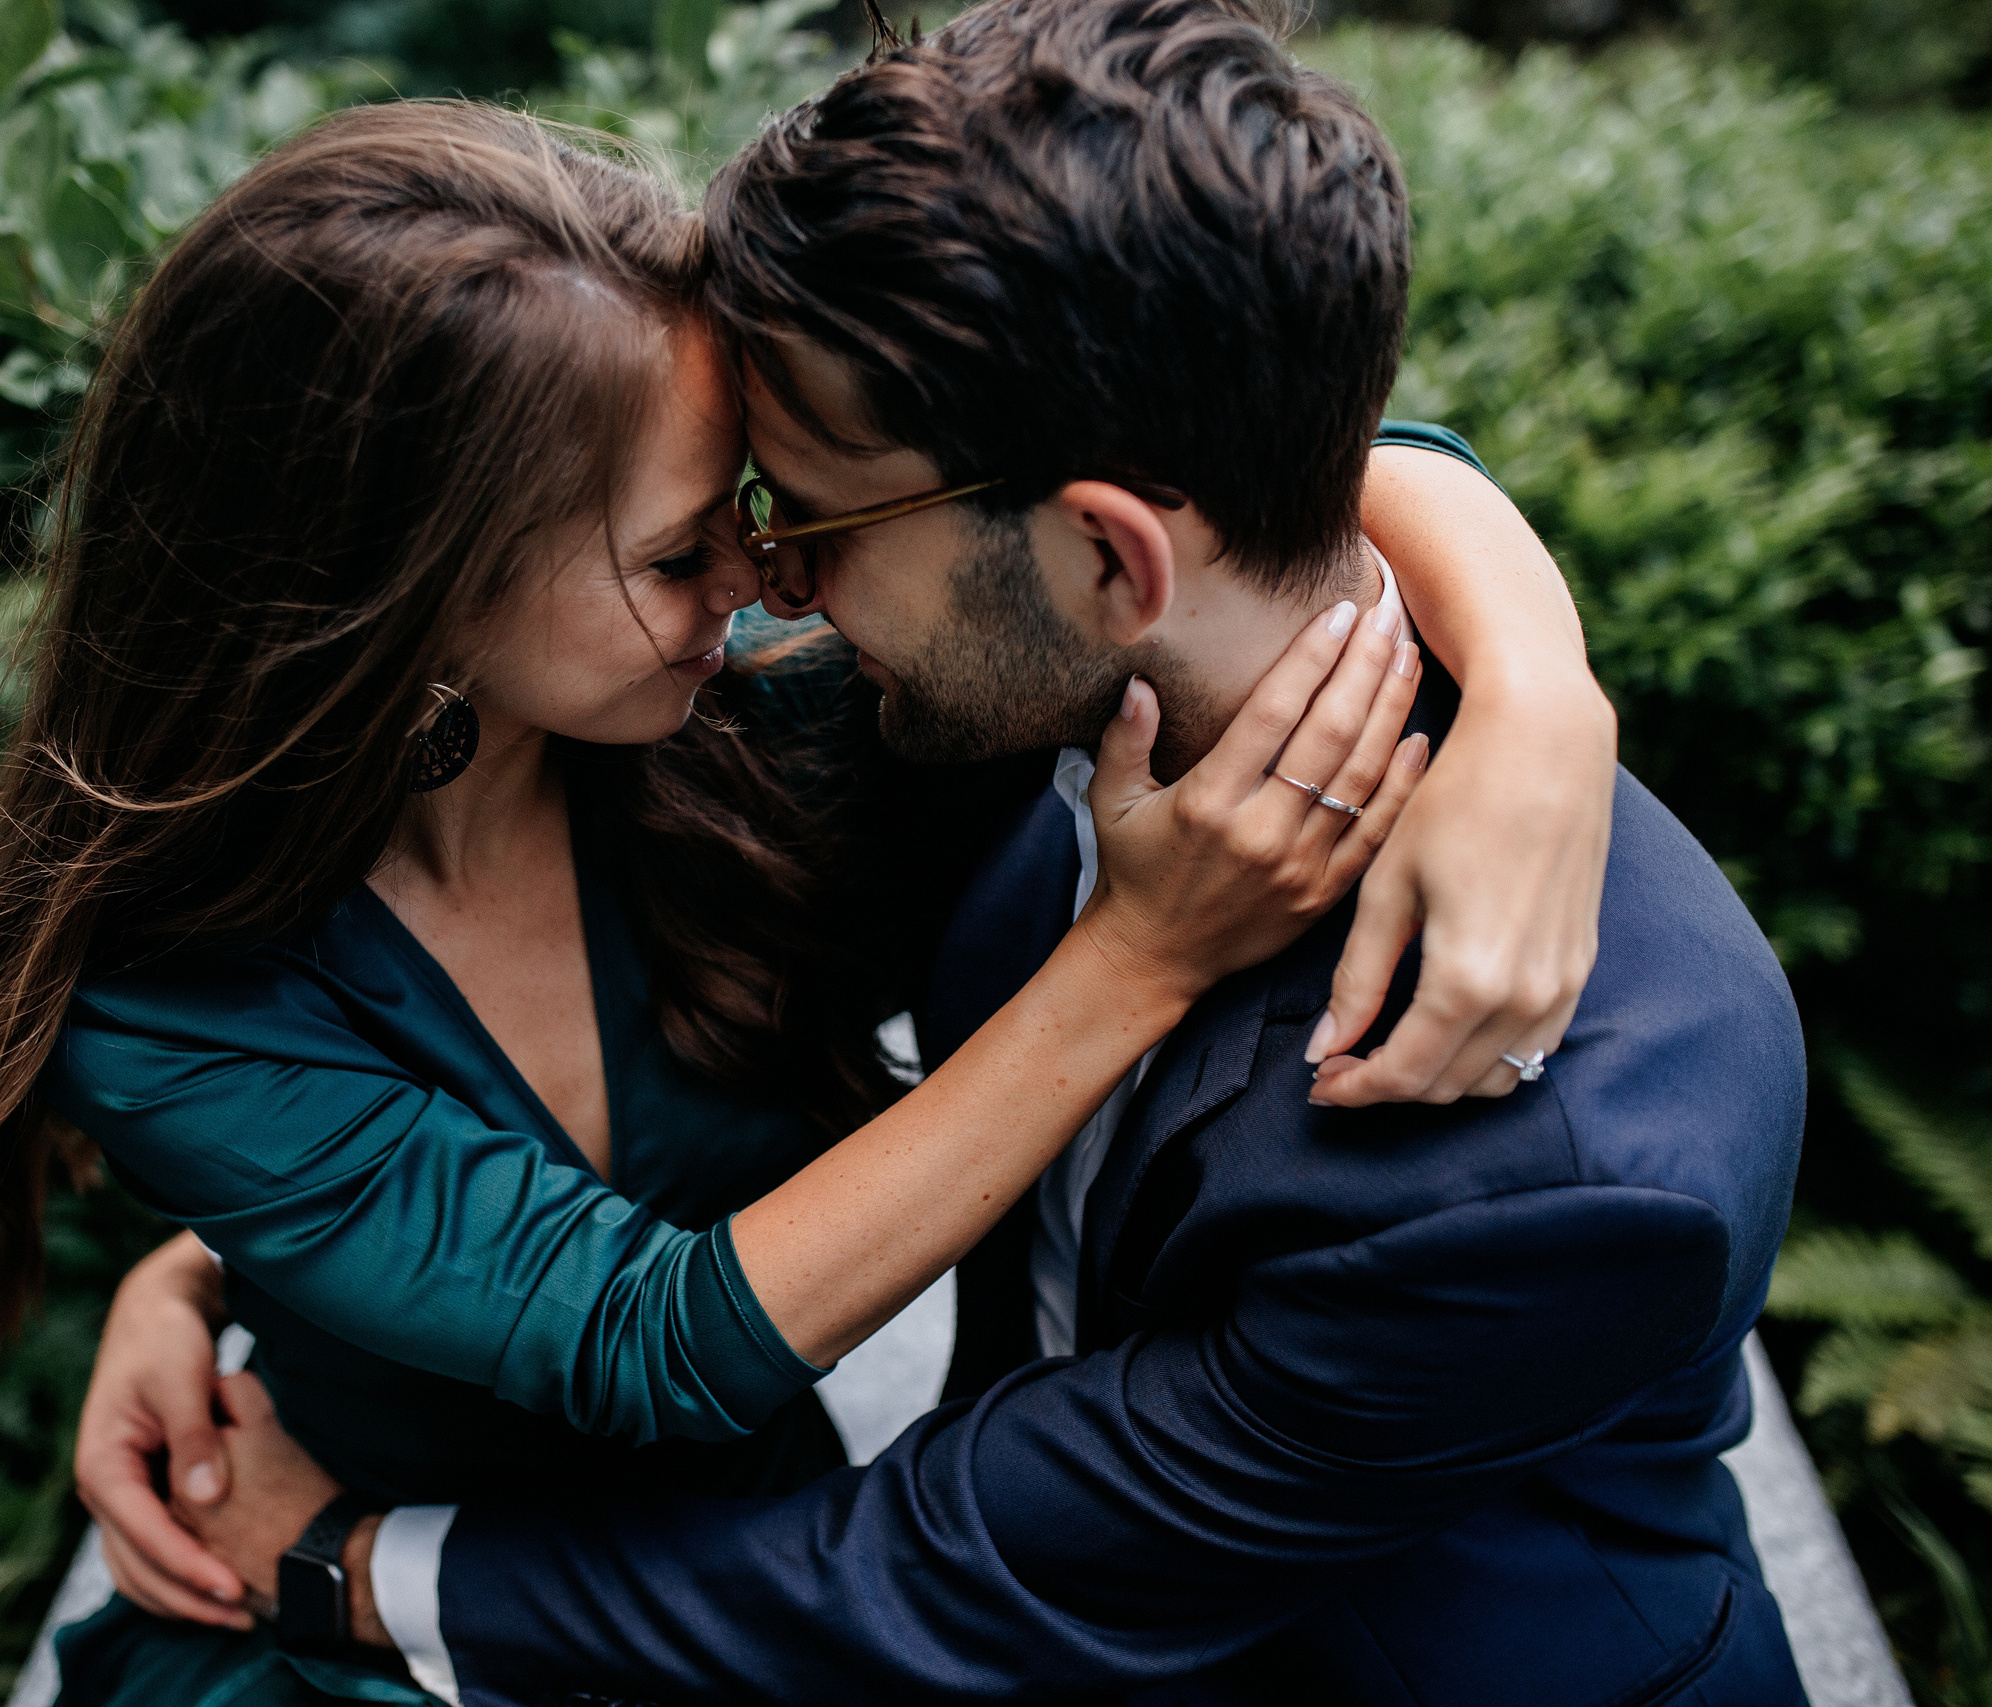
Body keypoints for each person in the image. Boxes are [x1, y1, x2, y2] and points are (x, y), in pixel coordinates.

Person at [116, 3, 1811, 1703]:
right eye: (713, 532)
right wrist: (242, 1243)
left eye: (808, 518)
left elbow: (949, 1569)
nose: (777, 590)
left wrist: (345, 1569)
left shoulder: (1566, 1169)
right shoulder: (1016, 725)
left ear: (1105, 562)